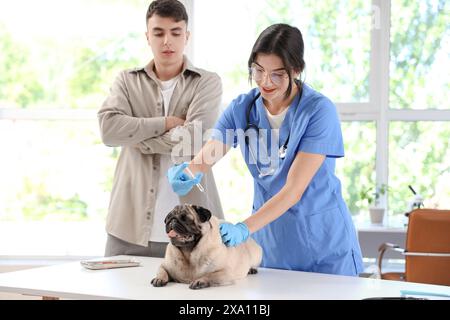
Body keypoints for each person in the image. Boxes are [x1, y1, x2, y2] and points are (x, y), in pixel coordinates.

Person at [167, 23, 364, 276]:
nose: (265, 81)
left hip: (322, 246)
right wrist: (188, 171)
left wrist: (243, 228)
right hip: (272, 244)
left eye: (277, 74)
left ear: (296, 70)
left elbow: (293, 190)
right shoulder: (243, 109)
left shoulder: (318, 112)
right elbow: (210, 153)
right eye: (258, 70)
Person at [98, 0, 224, 258]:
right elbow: (109, 130)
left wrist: (137, 138)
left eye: (176, 33)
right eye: (158, 33)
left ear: (186, 36)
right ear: (148, 37)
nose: (167, 41)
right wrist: (165, 123)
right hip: (128, 226)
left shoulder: (207, 82)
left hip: (194, 229)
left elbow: (193, 138)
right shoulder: (127, 81)